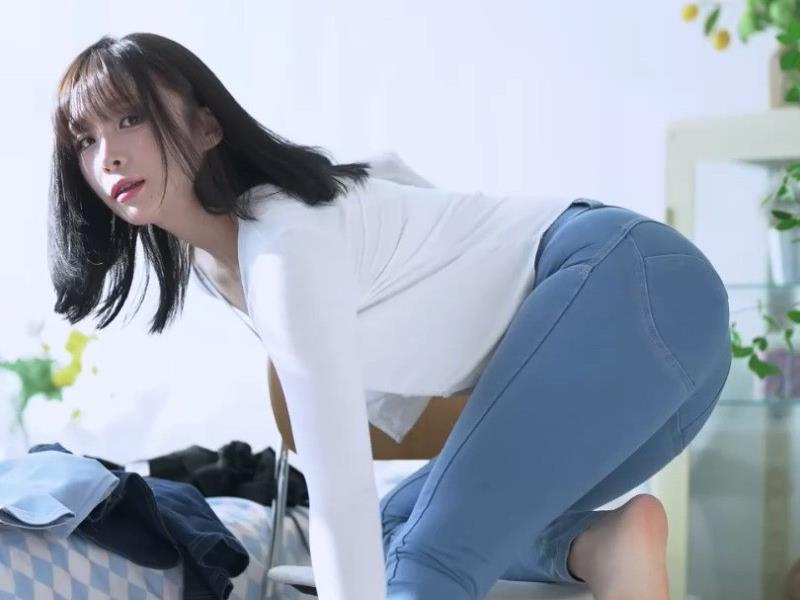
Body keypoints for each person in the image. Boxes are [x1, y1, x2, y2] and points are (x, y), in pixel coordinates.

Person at [48, 32, 732, 600]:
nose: (108, 154)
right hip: (655, 364)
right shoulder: (221, 263)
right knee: (388, 535)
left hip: (627, 286)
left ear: (206, 125)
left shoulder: (282, 243)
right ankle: (602, 544)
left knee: (418, 565)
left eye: (130, 118)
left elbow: (339, 485)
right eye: (85, 138)